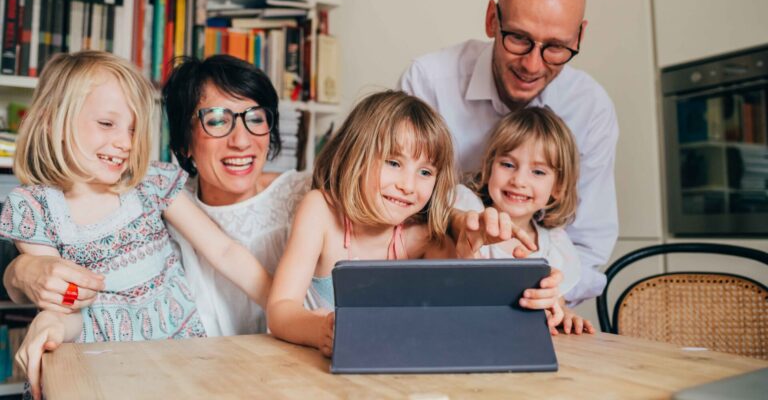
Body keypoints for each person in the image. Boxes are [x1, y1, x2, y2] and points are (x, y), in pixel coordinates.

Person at [0, 51, 271, 399]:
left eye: (132, 128)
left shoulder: (149, 184)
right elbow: (66, 310)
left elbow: (224, 250)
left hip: (181, 361)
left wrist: (285, 307)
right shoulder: (35, 209)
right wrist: (50, 324)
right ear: (53, 122)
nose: (126, 143)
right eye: (107, 124)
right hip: (100, 372)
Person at [399, 0, 619, 307]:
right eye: (518, 38)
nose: (532, 65)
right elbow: (395, 212)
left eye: (556, 48)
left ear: (579, 37)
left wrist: (550, 296)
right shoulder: (429, 81)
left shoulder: (590, 109)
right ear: (492, 20)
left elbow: (588, 247)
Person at [267, 91, 467, 357]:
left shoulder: (423, 236)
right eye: (394, 163)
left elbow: (458, 317)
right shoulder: (321, 210)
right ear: (354, 155)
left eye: (425, 172)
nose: (408, 185)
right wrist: (319, 330)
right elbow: (280, 309)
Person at [162, 55, 310, 335]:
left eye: (255, 118)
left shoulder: (306, 198)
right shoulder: (169, 209)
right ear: (184, 143)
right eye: (217, 121)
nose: (241, 141)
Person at [457, 106, 595, 335]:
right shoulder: (466, 206)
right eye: (508, 165)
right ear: (489, 167)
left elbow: (555, 304)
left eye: (538, 172)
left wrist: (563, 315)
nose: (519, 180)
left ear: (558, 187)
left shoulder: (557, 245)